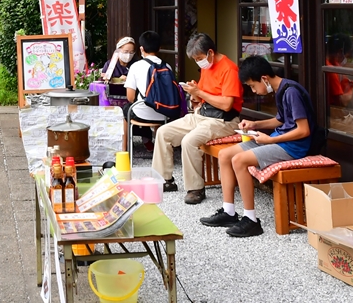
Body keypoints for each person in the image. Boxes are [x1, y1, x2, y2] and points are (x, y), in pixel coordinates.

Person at [200, 55, 315, 237]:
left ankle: (251, 219)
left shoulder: (291, 92)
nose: (253, 91)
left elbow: (303, 130)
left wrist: (270, 140)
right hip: (280, 140)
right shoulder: (281, 89)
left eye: (253, 86)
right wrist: (255, 124)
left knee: (239, 160)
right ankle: (229, 211)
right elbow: (281, 120)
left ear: (264, 78)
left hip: (293, 147)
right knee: (224, 155)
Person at [151, 32, 242, 204]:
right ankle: (164, 180)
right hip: (203, 114)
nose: (198, 62)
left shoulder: (229, 69)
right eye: (196, 59)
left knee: (189, 141)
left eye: (199, 58)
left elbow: (227, 105)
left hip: (224, 120)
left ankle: (196, 188)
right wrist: (194, 92)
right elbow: (203, 96)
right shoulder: (208, 66)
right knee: (163, 132)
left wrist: (199, 92)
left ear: (210, 53)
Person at [122, 31, 172, 149]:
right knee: (157, 110)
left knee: (125, 110)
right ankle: (159, 149)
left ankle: (124, 149)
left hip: (141, 113)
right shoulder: (167, 67)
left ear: (141, 48)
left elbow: (130, 98)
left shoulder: (136, 66)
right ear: (159, 48)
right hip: (165, 115)